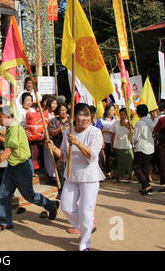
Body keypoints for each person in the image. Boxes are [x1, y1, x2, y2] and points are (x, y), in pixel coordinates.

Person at [0, 105, 59, 231]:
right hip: (12, 166)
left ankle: (50, 205)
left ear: (8, 116)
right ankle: (5, 221)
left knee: (29, 195)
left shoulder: (14, 129)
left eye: (1, 117)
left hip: (22, 167)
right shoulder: (10, 129)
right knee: (4, 193)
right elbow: (7, 142)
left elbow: (8, 150)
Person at [46, 103, 105, 251]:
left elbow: (92, 156)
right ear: (74, 117)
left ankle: (85, 244)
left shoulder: (95, 132)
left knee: (86, 210)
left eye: (87, 115)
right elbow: (65, 155)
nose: (85, 118)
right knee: (66, 206)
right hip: (72, 175)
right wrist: (53, 148)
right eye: (82, 115)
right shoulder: (68, 132)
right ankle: (86, 226)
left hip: (90, 176)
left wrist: (78, 143)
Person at [132, 104, 155, 195]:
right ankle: (146, 185)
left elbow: (135, 137)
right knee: (145, 167)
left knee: (136, 167)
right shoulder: (150, 121)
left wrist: (132, 140)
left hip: (142, 147)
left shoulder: (139, 123)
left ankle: (145, 185)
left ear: (138, 113)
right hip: (150, 147)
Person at [48, 102, 70, 197]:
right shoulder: (54, 121)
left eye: (65, 110)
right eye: (62, 110)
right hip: (57, 147)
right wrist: (60, 129)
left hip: (69, 147)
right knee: (60, 168)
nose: (64, 112)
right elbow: (51, 133)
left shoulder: (71, 121)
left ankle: (69, 189)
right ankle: (61, 189)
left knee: (69, 168)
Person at [110, 108, 133, 182]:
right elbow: (112, 135)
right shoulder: (115, 123)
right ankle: (118, 177)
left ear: (127, 115)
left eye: (123, 114)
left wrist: (127, 126)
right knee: (118, 163)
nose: (122, 116)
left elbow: (133, 134)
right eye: (120, 114)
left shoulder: (130, 123)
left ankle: (129, 177)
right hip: (117, 146)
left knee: (128, 163)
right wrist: (112, 145)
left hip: (127, 146)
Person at [43, 96, 58, 183]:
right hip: (48, 136)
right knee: (48, 157)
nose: (54, 105)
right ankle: (51, 175)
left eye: (55, 103)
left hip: (54, 137)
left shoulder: (54, 114)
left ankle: (54, 174)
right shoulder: (45, 113)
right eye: (53, 103)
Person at [102, 104, 117, 179]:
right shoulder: (102, 120)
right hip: (106, 141)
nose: (112, 112)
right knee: (107, 157)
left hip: (114, 141)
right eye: (111, 110)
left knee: (114, 157)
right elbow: (99, 130)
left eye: (113, 110)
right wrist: (108, 131)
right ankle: (108, 172)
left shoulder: (116, 119)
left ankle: (114, 171)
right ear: (107, 111)